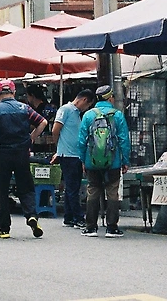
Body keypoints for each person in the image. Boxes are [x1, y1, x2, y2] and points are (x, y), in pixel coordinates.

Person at [0, 79, 48, 239]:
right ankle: (31, 215)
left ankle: (4, 228)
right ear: (14, 93)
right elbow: (43, 122)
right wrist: (31, 138)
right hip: (22, 152)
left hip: (2, 154)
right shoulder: (24, 108)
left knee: (1, 190)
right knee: (26, 187)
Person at [77, 84, 131, 238]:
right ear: (110, 97)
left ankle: (91, 227)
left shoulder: (88, 115)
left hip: (91, 160)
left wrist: (83, 160)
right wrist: (125, 161)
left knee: (93, 191)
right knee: (112, 192)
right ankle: (112, 228)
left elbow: (81, 141)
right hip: (113, 161)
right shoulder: (117, 115)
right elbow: (124, 140)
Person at [51, 89, 95, 228]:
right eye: (87, 106)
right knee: (72, 188)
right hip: (68, 155)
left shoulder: (76, 114)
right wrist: (59, 148)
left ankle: (69, 217)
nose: (86, 109)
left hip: (75, 155)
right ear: (84, 100)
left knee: (72, 187)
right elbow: (55, 130)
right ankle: (78, 217)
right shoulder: (66, 110)